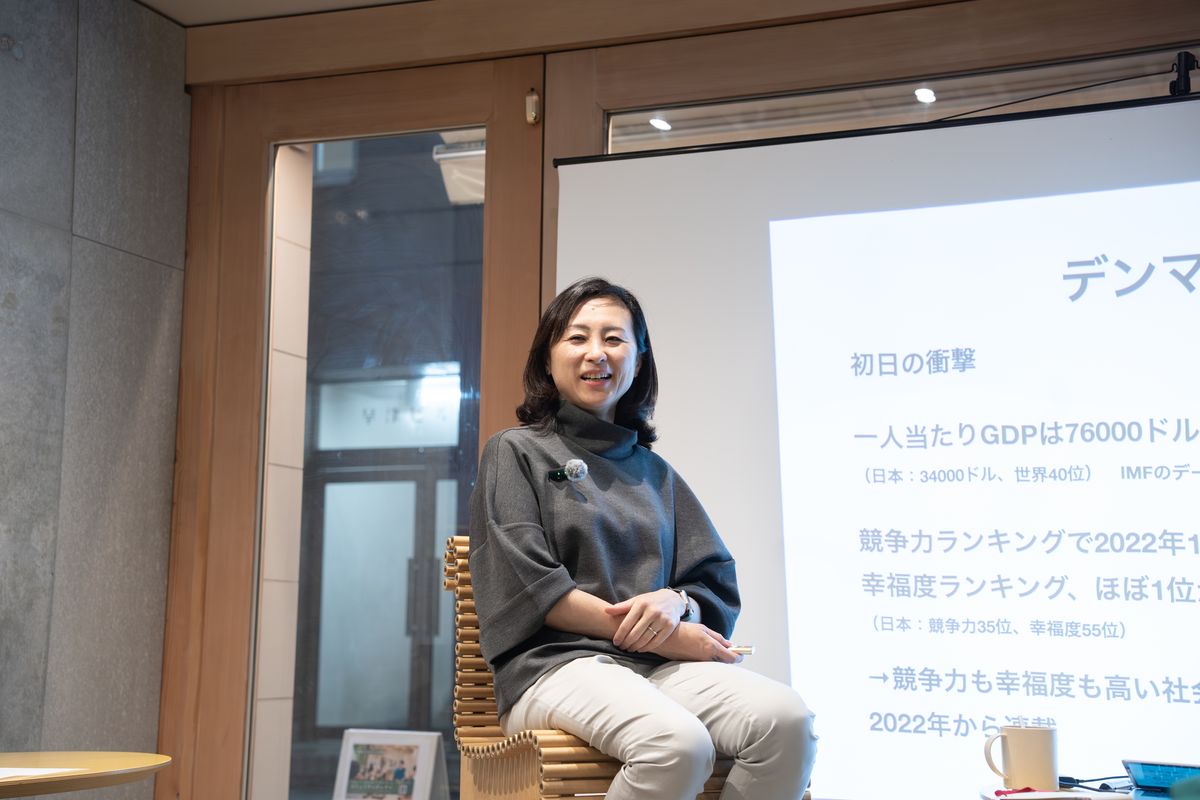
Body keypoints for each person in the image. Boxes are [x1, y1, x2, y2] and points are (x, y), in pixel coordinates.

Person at [468, 277, 817, 799]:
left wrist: (678, 603)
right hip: (552, 667)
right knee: (676, 744)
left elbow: (711, 582)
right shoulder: (514, 451)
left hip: (657, 670)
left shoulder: (656, 473)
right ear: (547, 359)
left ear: (637, 360)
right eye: (577, 337)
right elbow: (537, 592)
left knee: (787, 722)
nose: (597, 353)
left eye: (614, 339)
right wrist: (671, 636)